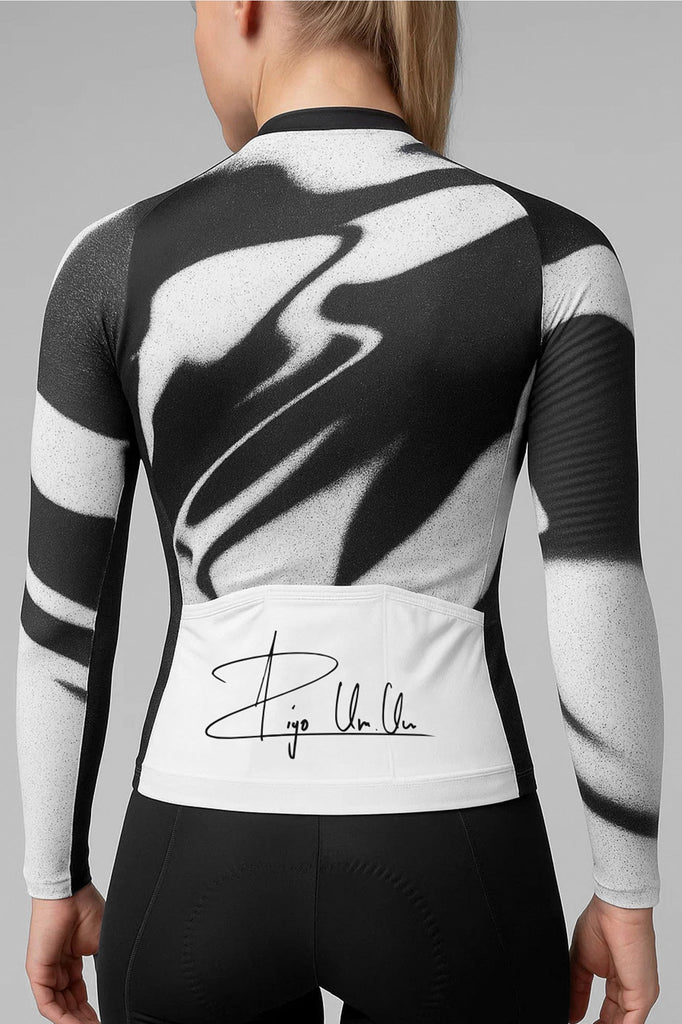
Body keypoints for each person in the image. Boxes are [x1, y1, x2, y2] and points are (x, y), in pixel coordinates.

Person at [15, 1, 664, 1022]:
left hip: (193, 855)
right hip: (458, 852)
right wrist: (626, 887)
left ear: (242, 5)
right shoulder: (554, 255)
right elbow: (597, 588)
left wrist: (53, 878)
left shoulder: (110, 263)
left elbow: (61, 621)